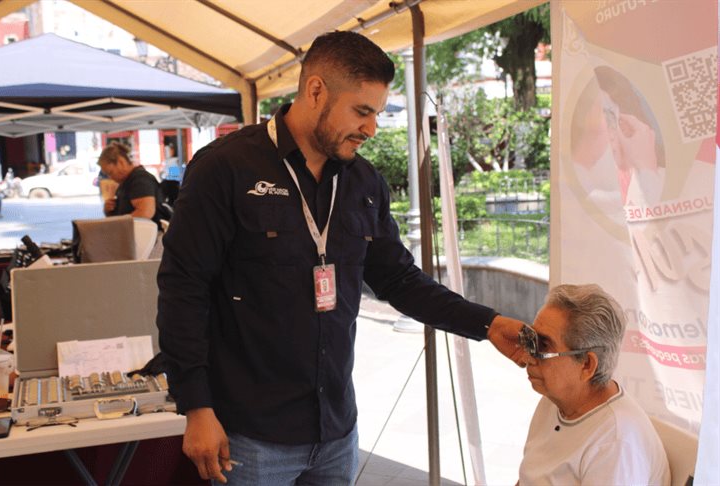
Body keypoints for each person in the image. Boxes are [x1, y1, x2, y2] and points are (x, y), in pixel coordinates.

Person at [157, 31, 527, 485]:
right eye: (362, 111)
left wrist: (487, 324)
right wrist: (196, 406)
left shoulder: (364, 183)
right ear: (316, 91)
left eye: (376, 113)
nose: (371, 129)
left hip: (335, 432)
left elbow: (400, 280)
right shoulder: (225, 168)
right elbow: (182, 289)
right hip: (248, 437)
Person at [518, 284, 670, 485]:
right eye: (530, 340)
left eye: (543, 346)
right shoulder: (554, 399)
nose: (527, 356)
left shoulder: (616, 441)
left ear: (587, 365)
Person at [97, 142, 163, 223]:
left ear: (121, 162)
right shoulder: (126, 182)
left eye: (110, 172)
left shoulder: (140, 180)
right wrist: (108, 210)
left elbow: (145, 212)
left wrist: (117, 225)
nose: (111, 178)